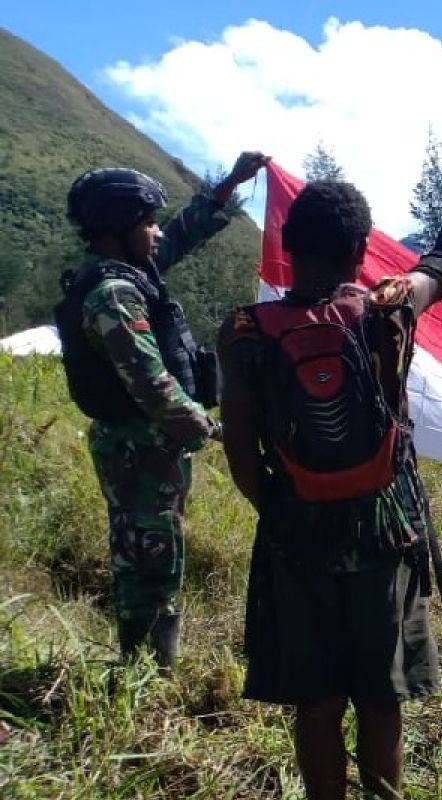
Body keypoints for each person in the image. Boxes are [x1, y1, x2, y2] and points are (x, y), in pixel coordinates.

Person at [217, 155, 442, 800]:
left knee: (314, 702)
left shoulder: (244, 333)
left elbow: (238, 450)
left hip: (295, 535)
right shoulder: (388, 309)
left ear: (287, 245)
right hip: (384, 530)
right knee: (380, 697)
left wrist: (284, 507)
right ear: (363, 249)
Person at [54, 152, 269, 670]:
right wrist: (218, 429)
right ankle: (148, 673)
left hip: (147, 449)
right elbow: (154, 387)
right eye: (147, 223)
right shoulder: (113, 296)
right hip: (139, 450)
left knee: (152, 548)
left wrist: (229, 186)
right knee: (151, 557)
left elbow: (182, 235)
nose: (156, 233)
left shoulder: (130, 271)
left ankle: (147, 662)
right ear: (117, 229)